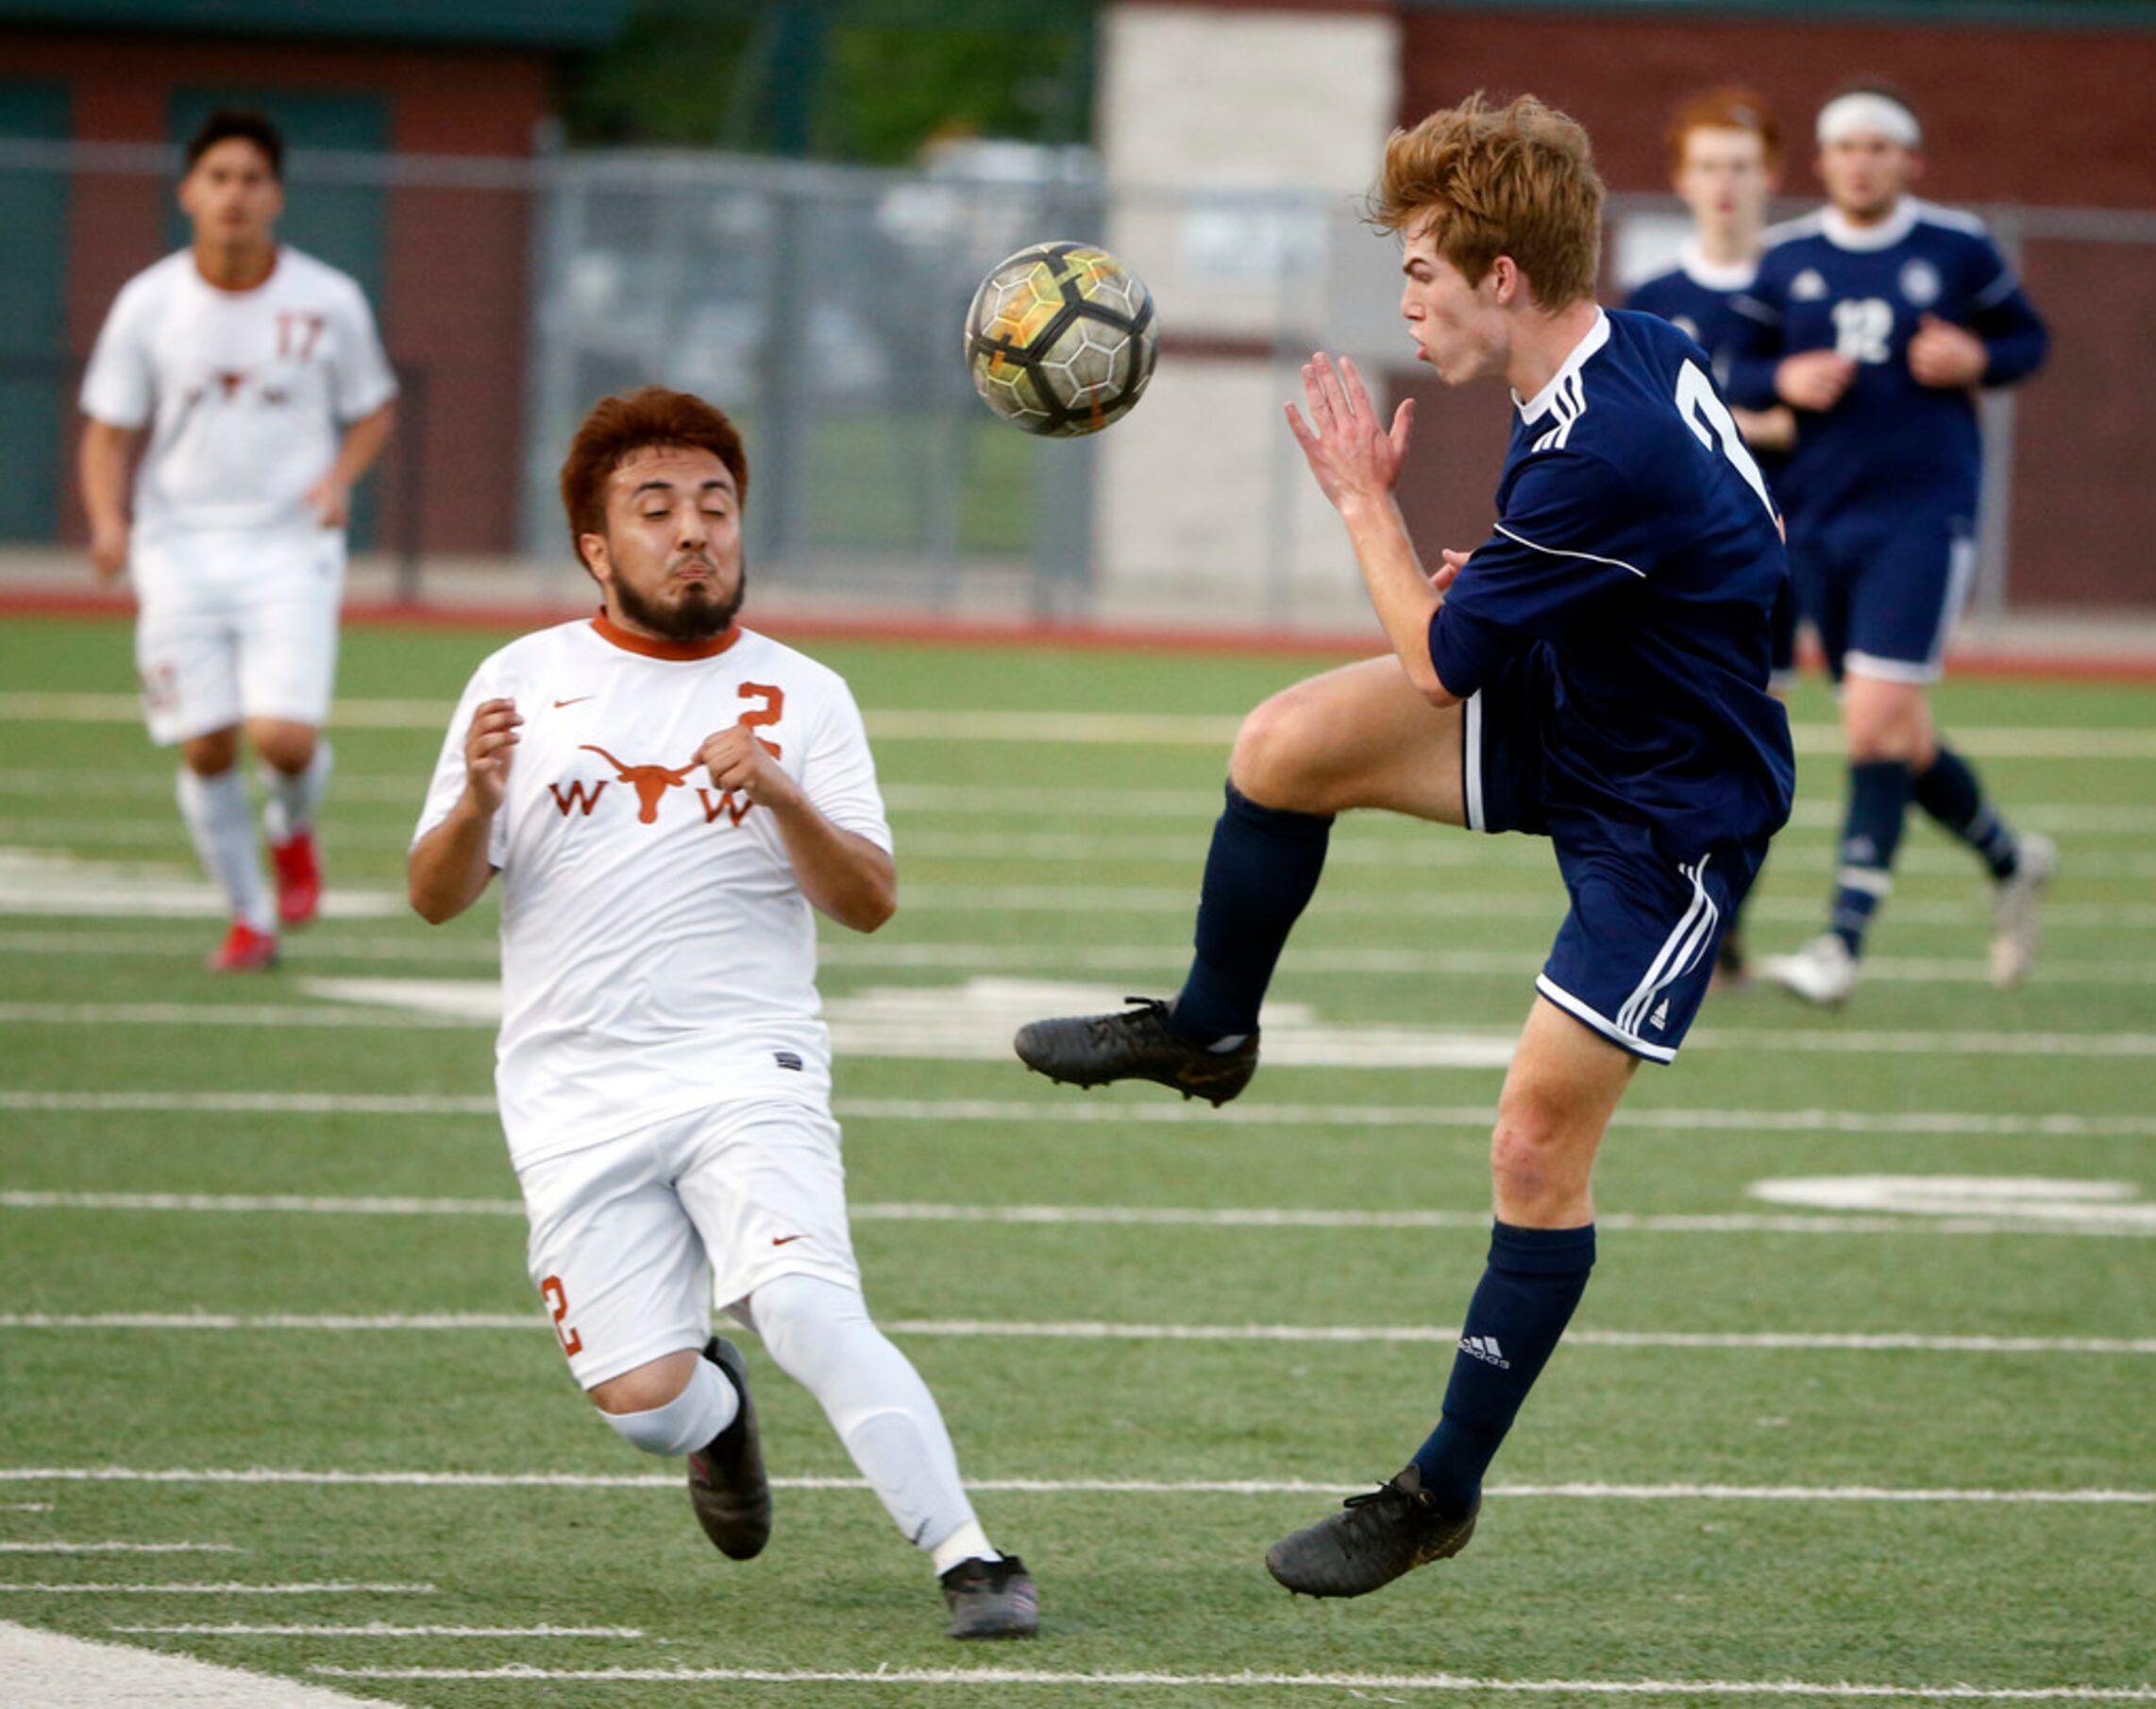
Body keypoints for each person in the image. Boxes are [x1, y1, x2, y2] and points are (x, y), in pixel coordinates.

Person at [1016, 94, 1794, 1598]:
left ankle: (1438, 1488)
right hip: (1589, 709)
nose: (1407, 299)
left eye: (1424, 269)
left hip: (1671, 818)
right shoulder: (1630, 355)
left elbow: (1440, 662)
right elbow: (1734, 530)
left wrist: (1370, 503)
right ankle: (1209, 1028)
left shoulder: (1605, 435)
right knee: (1284, 745)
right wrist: (1541, 589)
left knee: (1532, 1143)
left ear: (1504, 273)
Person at [407, 385, 1036, 1640]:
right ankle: (720, 1412)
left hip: (748, 1062)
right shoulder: (518, 682)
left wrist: (786, 799)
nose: (694, 530)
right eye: (656, 508)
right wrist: (477, 801)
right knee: (647, 1403)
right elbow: (434, 896)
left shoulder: (804, 696)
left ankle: (970, 1554)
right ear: (597, 544)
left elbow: (870, 901)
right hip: (572, 1088)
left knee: (806, 1300)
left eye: (715, 504)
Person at [1729, 83, 2054, 1005]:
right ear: (1823, 163)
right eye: (1846, 147)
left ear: (1910, 162)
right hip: (1819, 519)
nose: (1862, 162)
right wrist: (1781, 374)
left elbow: (2028, 339)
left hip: (1922, 515)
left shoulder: (1954, 247)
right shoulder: (1787, 259)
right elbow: (1734, 366)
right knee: (1898, 734)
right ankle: (2008, 858)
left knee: (1871, 721)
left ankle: (1841, 945)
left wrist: (1980, 359)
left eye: (1880, 147)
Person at [78, 107, 397, 971]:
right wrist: (109, 521)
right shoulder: (149, 303)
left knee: (283, 741)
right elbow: (107, 432)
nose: (234, 196)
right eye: (217, 178)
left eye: (251, 180)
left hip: (291, 545)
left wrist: (338, 479)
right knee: (206, 743)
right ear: (188, 191)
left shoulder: (328, 299)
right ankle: (250, 917)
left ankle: (292, 829)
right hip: (177, 547)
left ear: (276, 196)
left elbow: (373, 406)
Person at [1625, 84, 1797, 986]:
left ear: (1771, 175)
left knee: (1758, 738)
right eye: (1707, 166)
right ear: (1680, 178)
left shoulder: (1800, 286)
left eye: (1741, 165)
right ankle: (1681, 911)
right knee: (1669, 728)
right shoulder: (1654, 297)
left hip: (1783, 545)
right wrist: (1757, 421)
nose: (1725, 183)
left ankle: (1723, 925)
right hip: (1679, 555)